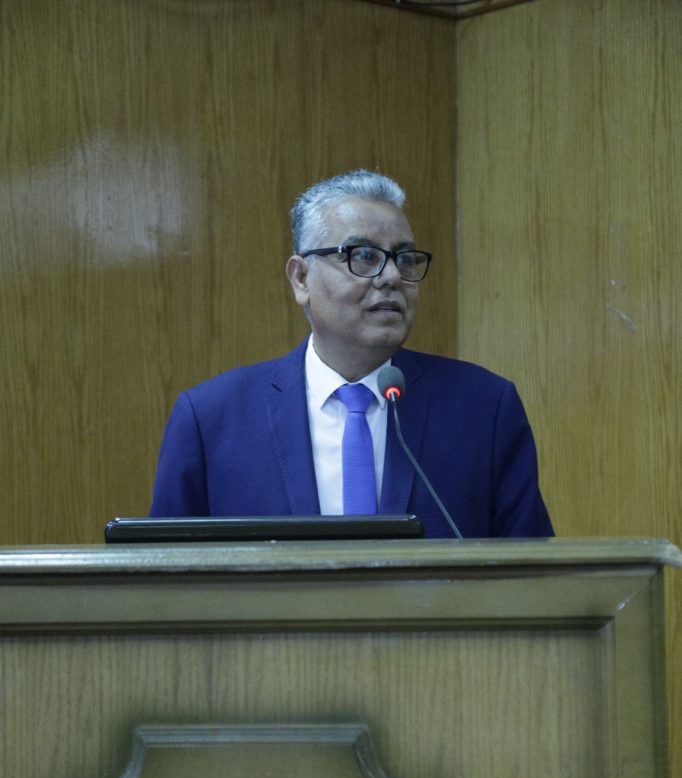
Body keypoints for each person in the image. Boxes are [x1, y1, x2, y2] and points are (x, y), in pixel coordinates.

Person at [150, 170, 553, 538]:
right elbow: (166, 578)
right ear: (301, 278)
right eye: (363, 256)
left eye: (404, 259)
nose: (392, 276)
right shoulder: (212, 420)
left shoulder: (483, 409)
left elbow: (534, 574)